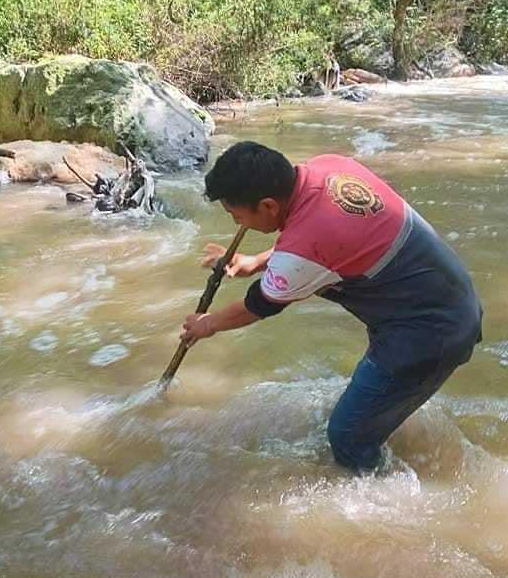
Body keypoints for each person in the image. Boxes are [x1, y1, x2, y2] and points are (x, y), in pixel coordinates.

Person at [179, 141, 483, 472]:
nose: (238, 223)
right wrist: (256, 262)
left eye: (236, 215)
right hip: (450, 299)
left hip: (428, 332)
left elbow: (260, 304)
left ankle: (385, 505)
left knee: (347, 437)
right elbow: (317, 240)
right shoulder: (328, 166)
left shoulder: (303, 249)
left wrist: (208, 324)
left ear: (267, 205)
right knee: (368, 412)